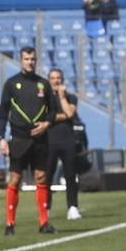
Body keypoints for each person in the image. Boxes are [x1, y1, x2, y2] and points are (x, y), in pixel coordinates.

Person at [0, 46, 58, 235]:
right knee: (15, 179)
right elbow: (2, 113)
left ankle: (44, 222)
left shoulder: (44, 84)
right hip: (19, 139)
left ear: (36, 61)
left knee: (41, 177)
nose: (30, 62)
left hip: (40, 139)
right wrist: (1, 138)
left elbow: (54, 111)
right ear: (20, 60)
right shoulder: (11, 84)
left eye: (33, 59)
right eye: (26, 59)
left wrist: (46, 124)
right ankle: (9, 224)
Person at [45, 68, 82, 221]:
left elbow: (70, 113)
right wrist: (61, 116)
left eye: (58, 78)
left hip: (67, 140)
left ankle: (72, 207)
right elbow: (46, 116)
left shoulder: (70, 97)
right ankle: (46, 207)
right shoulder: (44, 98)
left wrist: (61, 98)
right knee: (47, 175)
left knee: (70, 175)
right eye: (53, 78)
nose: (56, 81)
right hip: (49, 140)